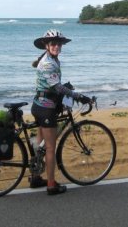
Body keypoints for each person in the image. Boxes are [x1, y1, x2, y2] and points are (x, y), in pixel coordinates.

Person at [30, 29, 91, 195]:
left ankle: (35, 177)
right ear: (47, 45)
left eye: (59, 43)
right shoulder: (48, 63)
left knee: (40, 144)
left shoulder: (50, 58)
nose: (56, 46)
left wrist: (67, 93)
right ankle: (51, 185)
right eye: (53, 43)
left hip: (40, 105)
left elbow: (56, 85)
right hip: (46, 109)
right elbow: (57, 87)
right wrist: (78, 96)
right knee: (50, 148)